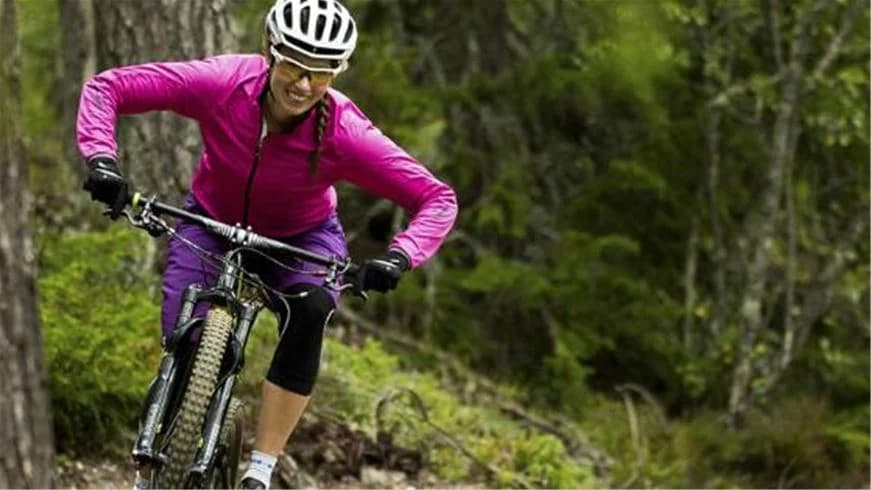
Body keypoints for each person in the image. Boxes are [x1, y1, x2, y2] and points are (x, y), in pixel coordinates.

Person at [76, 0, 458, 488]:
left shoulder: (346, 132)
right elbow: (110, 86)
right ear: (270, 52)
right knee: (186, 338)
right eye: (295, 65)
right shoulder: (222, 83)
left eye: (320, 74)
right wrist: (102, 160)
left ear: (336, 74)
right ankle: (152, 463)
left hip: (301, 238)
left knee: (313, 307)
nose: (303, 84)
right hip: (209, 222)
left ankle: (261, 467)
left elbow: (436, 198)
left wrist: (399, 256)